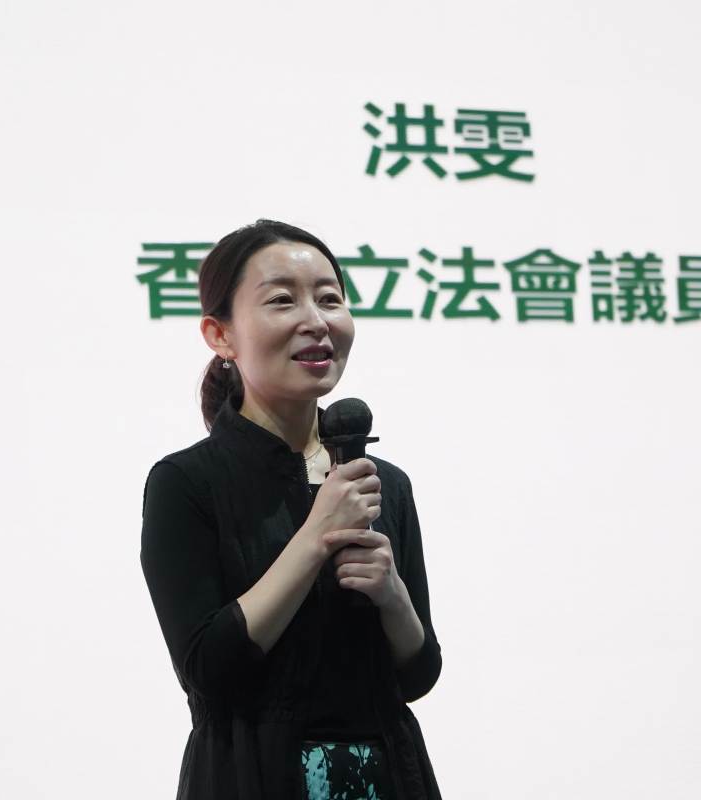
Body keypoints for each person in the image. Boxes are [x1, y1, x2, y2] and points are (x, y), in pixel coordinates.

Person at [140, 219, 443, 799]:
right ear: (220, 335)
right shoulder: (186, 482)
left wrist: (391, 595)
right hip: (251, 776)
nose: (316, 321)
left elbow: (418, 674)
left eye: (330, 299)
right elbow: (209, 669)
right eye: (282, 300)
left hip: (389, 774)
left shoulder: (384, 483)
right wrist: (315, 538)